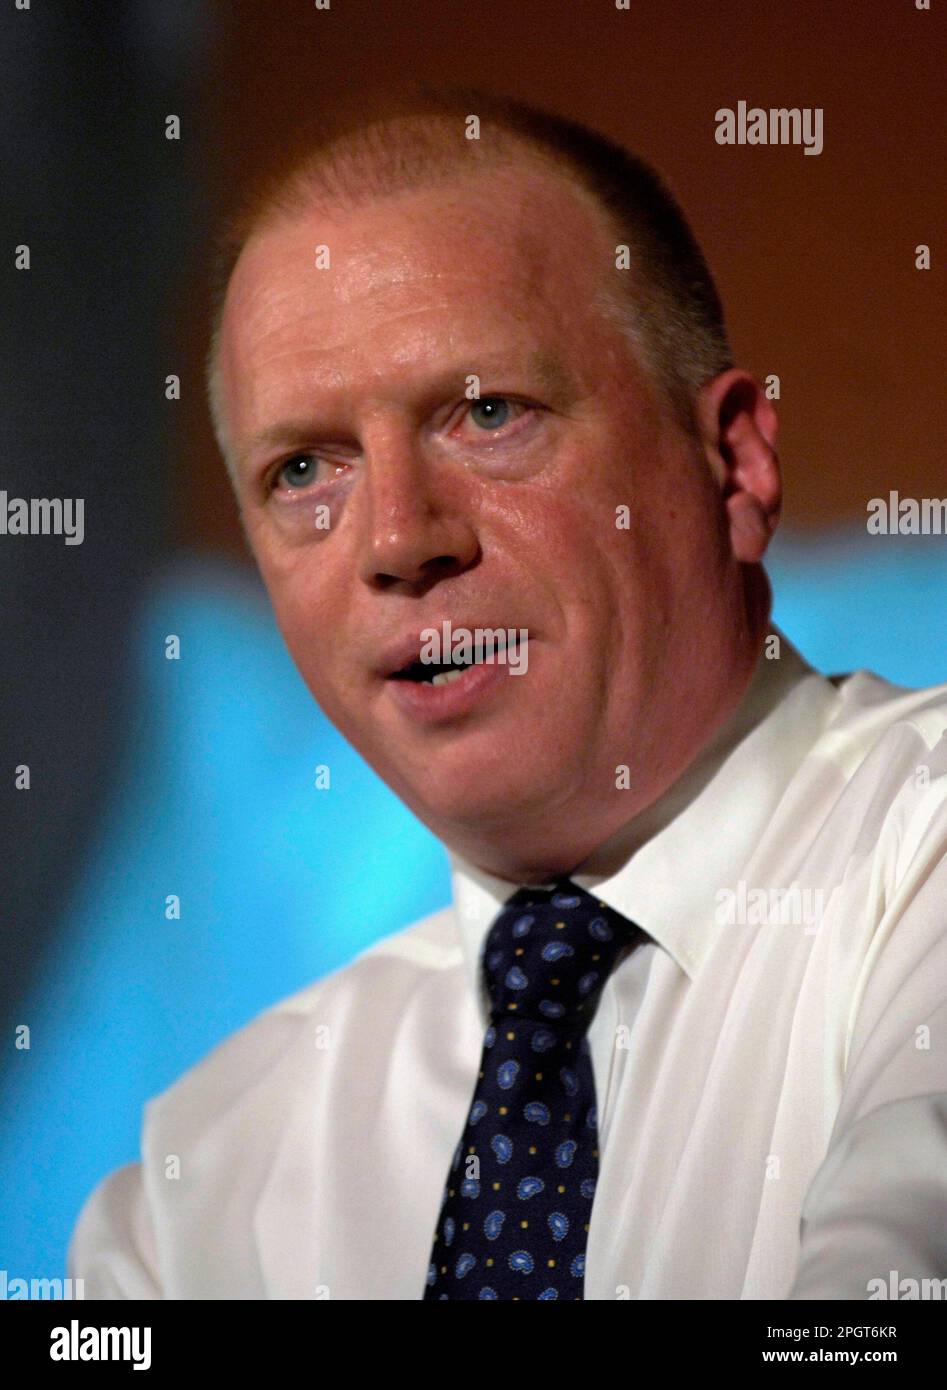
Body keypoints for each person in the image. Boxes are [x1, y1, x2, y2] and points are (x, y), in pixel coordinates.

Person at [68, 89, 947, 1300]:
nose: (394, 538)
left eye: (486, 414)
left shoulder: (921, 854)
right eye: (305, 470)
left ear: (733, 464)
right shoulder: (204, 1183)